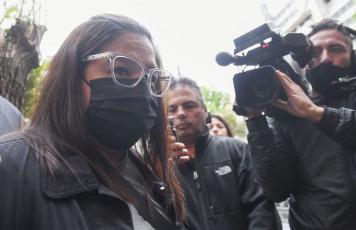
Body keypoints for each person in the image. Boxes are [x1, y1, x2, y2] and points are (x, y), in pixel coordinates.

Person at [0, 14, 186, 230]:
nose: (143, 90)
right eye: (121, 70)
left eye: (151, 79)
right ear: (71, 76)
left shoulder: (150, 175)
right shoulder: (12, 167)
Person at [243, 19, 356, 229]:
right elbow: (276, 190)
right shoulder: (286, 115)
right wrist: (255, 120)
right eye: (314, 52)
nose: (324, 59)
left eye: (336, 49)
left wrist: (316, 114)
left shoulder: (307, 111)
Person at [167, 76, 281, 230]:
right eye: (172, 109)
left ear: (205, 110)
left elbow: (261, 209)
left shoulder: (238, 150)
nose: (180, 113)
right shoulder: (161, 165)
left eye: (189, 105)